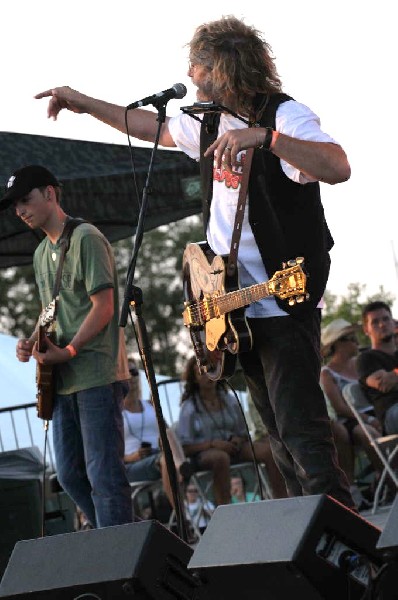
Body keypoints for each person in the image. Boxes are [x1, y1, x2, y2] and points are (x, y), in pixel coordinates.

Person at [35, 15, 354, 509]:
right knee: (280, 444)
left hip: (283, 300)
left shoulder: (284, 115)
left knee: (304, 437)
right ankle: (315, 545)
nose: (190, 73)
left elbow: (337, 166)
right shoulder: (206, 120)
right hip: (232, 310)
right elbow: (148, 126)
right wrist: (81, 102)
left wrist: (264, 139)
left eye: (197, 64)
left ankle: (350, 554)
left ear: (222, 68)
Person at [2, 165, 133, 528]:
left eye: (25, 200)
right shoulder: (41, 252)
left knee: (104, 477)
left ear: (50, 193)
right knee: (71, 476)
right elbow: (52, 311)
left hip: (96, 372)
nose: (20, 211)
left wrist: (71, 350)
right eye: (14, 206)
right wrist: (31, 340)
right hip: (62, 380)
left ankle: (122, 552)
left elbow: (104, 307)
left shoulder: (86, 237)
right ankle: (126, 539)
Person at [177, 356, 287, 505]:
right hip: (205, 453)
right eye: (201, 373)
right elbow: (185, 447)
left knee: (268, 449)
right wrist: (213, 444)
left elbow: (243, 431)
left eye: (210, 369)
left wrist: (238, 439)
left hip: (234, 448)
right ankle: (225, 508)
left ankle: (283, 500)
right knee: (220, 457)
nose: (207, 375)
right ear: (194, 379)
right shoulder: (189, 407)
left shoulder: (229, 399)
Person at [320, 318, 383, 507]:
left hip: (376, 414)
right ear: (338, 344)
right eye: (351, 337)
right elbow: (340, 408)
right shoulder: (327, 373)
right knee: (363, 432)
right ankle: (389, 481)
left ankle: (382, 480)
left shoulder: (360, 363)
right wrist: (368, 419)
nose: (356, 341)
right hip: (351, 420)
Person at [123, 356, 189, 511]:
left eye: (134, 372)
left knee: (168, 432)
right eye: (126, 372)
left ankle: (179, 464)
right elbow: (112, 456)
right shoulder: (114, 412)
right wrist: (135, 456)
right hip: (133, 464)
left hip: (160, 454)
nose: (131, 376)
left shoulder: (149, 404)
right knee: (167, 460)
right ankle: (182, 515)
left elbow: (166, 431)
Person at [357, 301, 398, 435]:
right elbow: (383, 383)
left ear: (393, 322)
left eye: (386, 319)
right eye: (375, 322)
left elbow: (392, 379)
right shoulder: (366, 358)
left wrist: (394, 375)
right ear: (366, 330)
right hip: (392, 413)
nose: (382, 324)